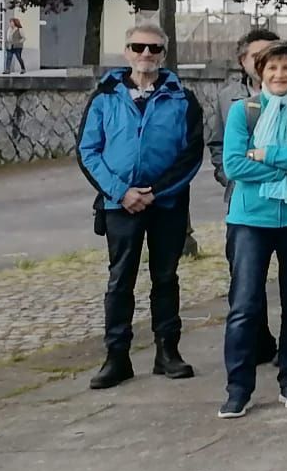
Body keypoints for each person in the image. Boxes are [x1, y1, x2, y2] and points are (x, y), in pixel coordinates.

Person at [77, 22, 203, 389]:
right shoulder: (105, 96)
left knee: (166, 277)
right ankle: (116, 356)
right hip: (120, 205)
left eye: (153, 49)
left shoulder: (183, 98)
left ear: (164, 54)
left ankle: (168, 352)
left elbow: (190, 154)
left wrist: (156, 192)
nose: (145, 54)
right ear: (126, 51)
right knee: (120, 281)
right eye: (138, 47)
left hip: (166, 205)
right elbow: (89, 151)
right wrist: (121, 192)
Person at [218, 40, 287, 416]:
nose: (280, 75)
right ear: (259, 72)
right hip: (251, 219)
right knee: (245, 306)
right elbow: (234, 166)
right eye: (272, 69)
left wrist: (265, 153)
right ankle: (238, 388)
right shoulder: (241, 112)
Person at [210, 26, 283, 366]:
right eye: (257, 56)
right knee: (246, 279)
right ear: (243, 61)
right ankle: (258, 343)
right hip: (243, 203)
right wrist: (229, 175)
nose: (266, 61)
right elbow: (217, 144)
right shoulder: (229, 98)